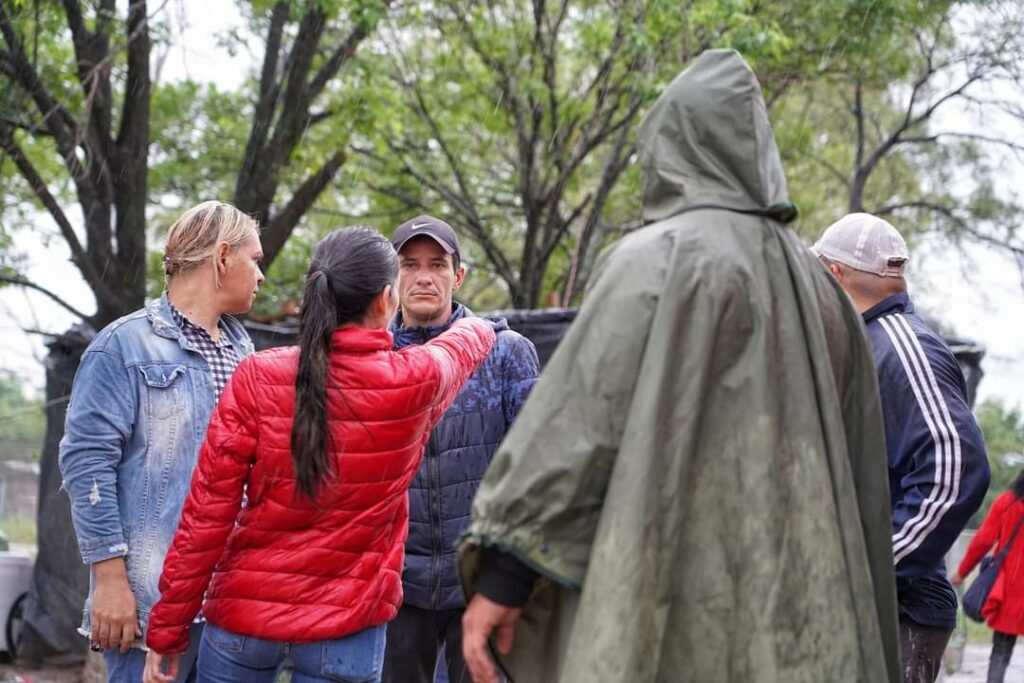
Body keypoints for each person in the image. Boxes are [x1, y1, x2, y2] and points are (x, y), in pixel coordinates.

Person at [457, 49, 900, 683]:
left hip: (659, 600)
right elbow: (859, 479)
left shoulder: (655, 261)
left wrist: (505, 575)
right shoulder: (824, 291)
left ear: (671, 144)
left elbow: (579, 429)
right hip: (800, 620)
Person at [141, 226, 495, 683]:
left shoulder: (257, 375)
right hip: (345, 631)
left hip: (243, 622)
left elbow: (205, 517)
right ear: (386, 300)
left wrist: (166, 632)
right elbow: (463, 346)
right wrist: (481, 323)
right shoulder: (413, 380)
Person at [59, 201, 263, 682]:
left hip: (229, 608)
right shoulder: (123, 346)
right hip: (151, 606)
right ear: (222, 257)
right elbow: (87, 466)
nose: (261, 275)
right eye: (255, 259)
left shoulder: (244, 350)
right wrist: (110, 582)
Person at [813, 212, 990, 683]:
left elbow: (957, 468)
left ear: (834, 275)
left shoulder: (901, 344)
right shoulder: (867, 342)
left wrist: (870, 567)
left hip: (899, 614)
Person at [381, 216, 539, 683]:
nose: (424, 276)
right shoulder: (374, 357)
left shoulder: (504, 352)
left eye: (437, 264)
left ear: (459, 275)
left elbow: (531, 469)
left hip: (479, 578)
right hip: (396, 582)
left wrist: (514, 572)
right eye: (409, 265)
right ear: (393, 277)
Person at [953, 471, 1024, 683]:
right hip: (1013, 591)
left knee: (1001, 652)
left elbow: (983, 542)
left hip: (1011, 590)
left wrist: (961, 573)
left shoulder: (1007, 503)